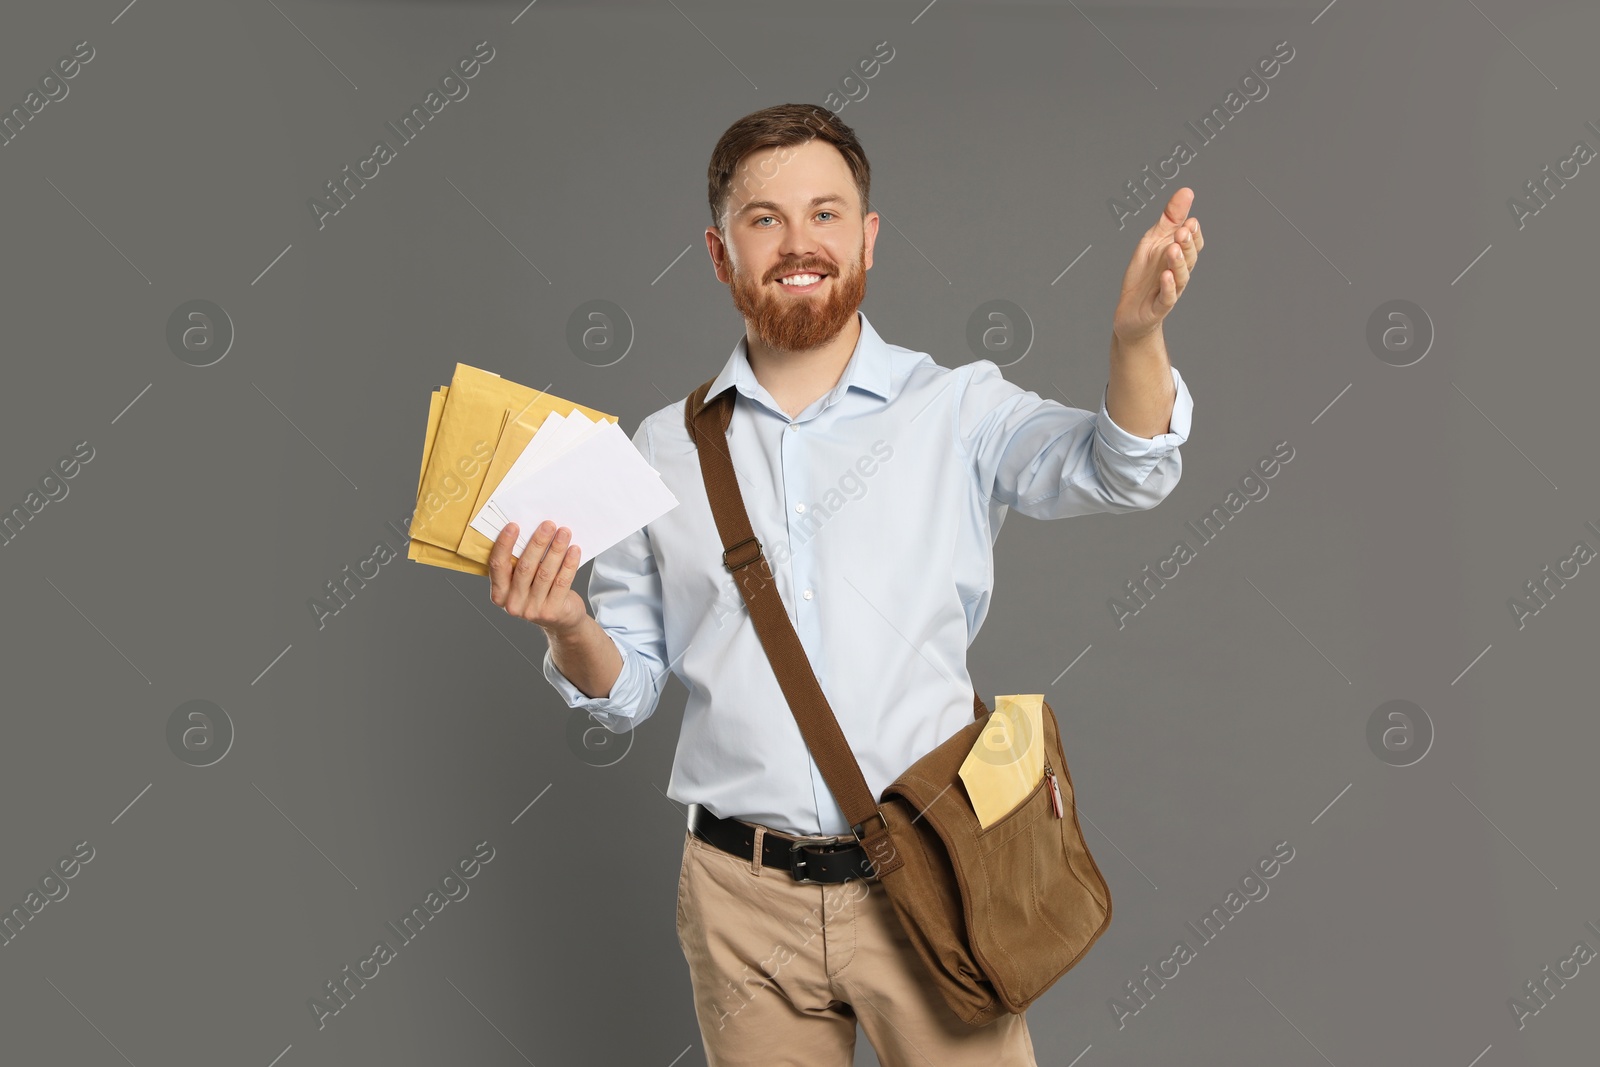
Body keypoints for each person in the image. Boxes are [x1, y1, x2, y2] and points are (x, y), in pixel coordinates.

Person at [488, 102, 1201, 1066]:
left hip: (937, 877)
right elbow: (628, 691)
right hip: (740, 901)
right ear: (719, 252)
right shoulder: (656, 451)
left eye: (825, 214)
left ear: (866, 238)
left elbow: (1123, 466)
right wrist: (567, 622)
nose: (798, 243)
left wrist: (1134, 340)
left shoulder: (957, 408)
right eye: (764, 218)